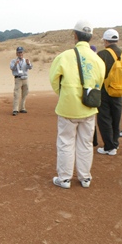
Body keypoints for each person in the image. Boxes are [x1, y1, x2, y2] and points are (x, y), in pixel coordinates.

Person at [49, 19, 105, 189]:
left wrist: (64, 94)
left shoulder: (64, 56)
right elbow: (99, 82)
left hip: (68, 107)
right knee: (86, 143)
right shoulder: (97, 60)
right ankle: (85, 178)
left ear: (75, 35)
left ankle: (64, 179)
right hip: (89, 108)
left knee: (66, 141)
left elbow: (53, 80)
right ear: (91, 36)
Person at [96, 29, 122, 155]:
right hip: (119, 91)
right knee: (116, 117)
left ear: (105, 40)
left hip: (104, 91)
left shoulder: (101, 54)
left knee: (104, 118)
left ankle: (108, 146)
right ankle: (115, 144)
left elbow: (97, 74)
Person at [9, 47, 33, 116]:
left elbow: (30, 67)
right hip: (18, 79)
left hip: (25, 78)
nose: (20, 54)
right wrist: (15, 64)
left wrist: (28, 63)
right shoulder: (13, 61)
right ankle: (15, 109)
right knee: (17, 94)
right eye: (19, 52)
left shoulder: (26, 60)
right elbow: (11, 68)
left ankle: (22, 108)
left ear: (23, 53)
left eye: (21, 52)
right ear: (16, 53)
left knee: (25, 93)